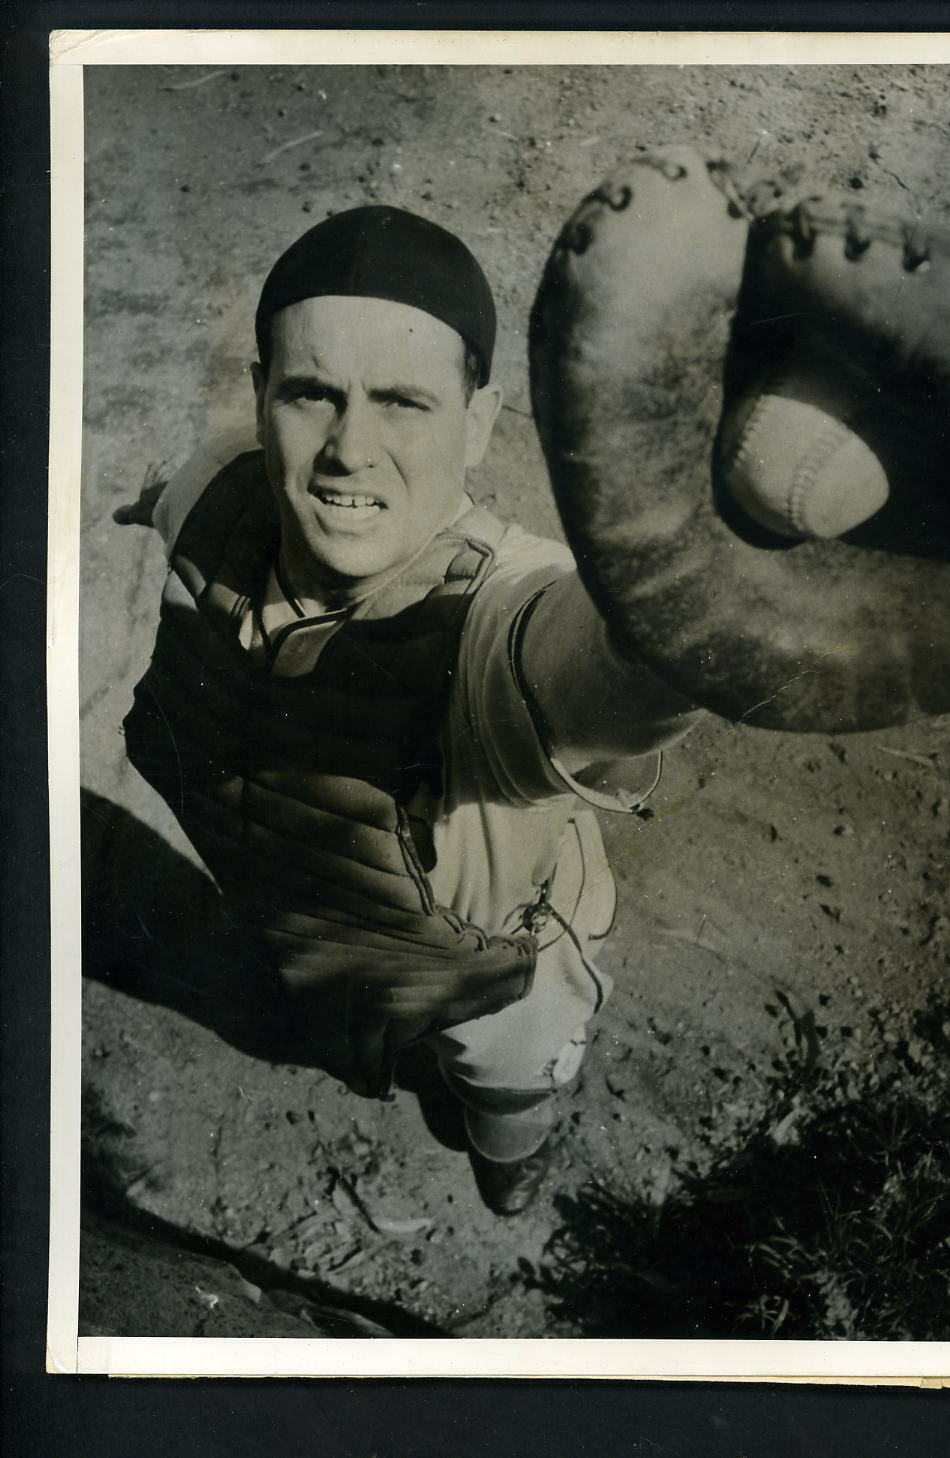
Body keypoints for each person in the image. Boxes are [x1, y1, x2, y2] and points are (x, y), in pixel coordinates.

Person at [115, 205, 701, 1215]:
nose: (348, 449)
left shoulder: (492, 618)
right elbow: (146, 486)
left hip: (500, 984)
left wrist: (694, 620)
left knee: (498, 1107)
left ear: (477, 424)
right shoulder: (217, 492)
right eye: (311, 394)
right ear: (260, 400)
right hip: (315, 924)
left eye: (403, 403)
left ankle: (510, 1171)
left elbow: (589, 667)